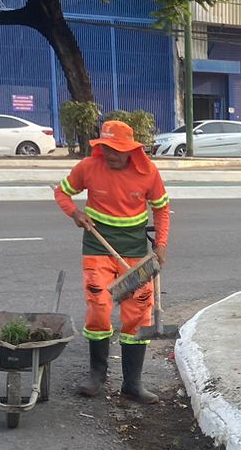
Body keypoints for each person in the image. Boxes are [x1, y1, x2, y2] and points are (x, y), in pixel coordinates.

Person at [53, 119, 170, 402]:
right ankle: (97, 375)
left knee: (138, 312)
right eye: (106, 148)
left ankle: (132, 384)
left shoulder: (148, 173)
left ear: (131, 150)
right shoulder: (88, 168)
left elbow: (162, 209)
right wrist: (75, 213)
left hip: (135, 252)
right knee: (99, 306)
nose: (111, 154)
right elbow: (62, 192)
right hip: (98, 246)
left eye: (117, 150)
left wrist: (161, 244)